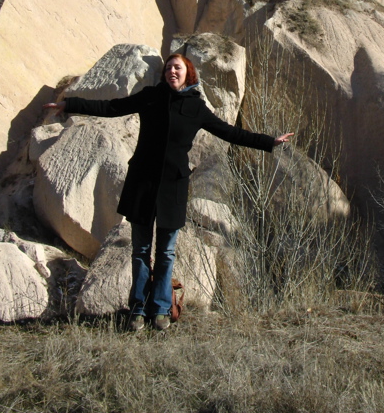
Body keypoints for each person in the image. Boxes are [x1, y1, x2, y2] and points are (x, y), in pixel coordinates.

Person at [43, 53, 293, 331]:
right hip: (142, 183)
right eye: (168, 68)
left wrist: (269, 142)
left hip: (173, 187)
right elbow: (112, 106)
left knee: (166, 252)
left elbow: (230, 133)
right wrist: (70, 104)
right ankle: (137, 309)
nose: (172, 72)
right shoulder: (150, 96)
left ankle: (160, 309)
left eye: (178, 68)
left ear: (189, 73)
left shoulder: (196, 108)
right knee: (139, 250)